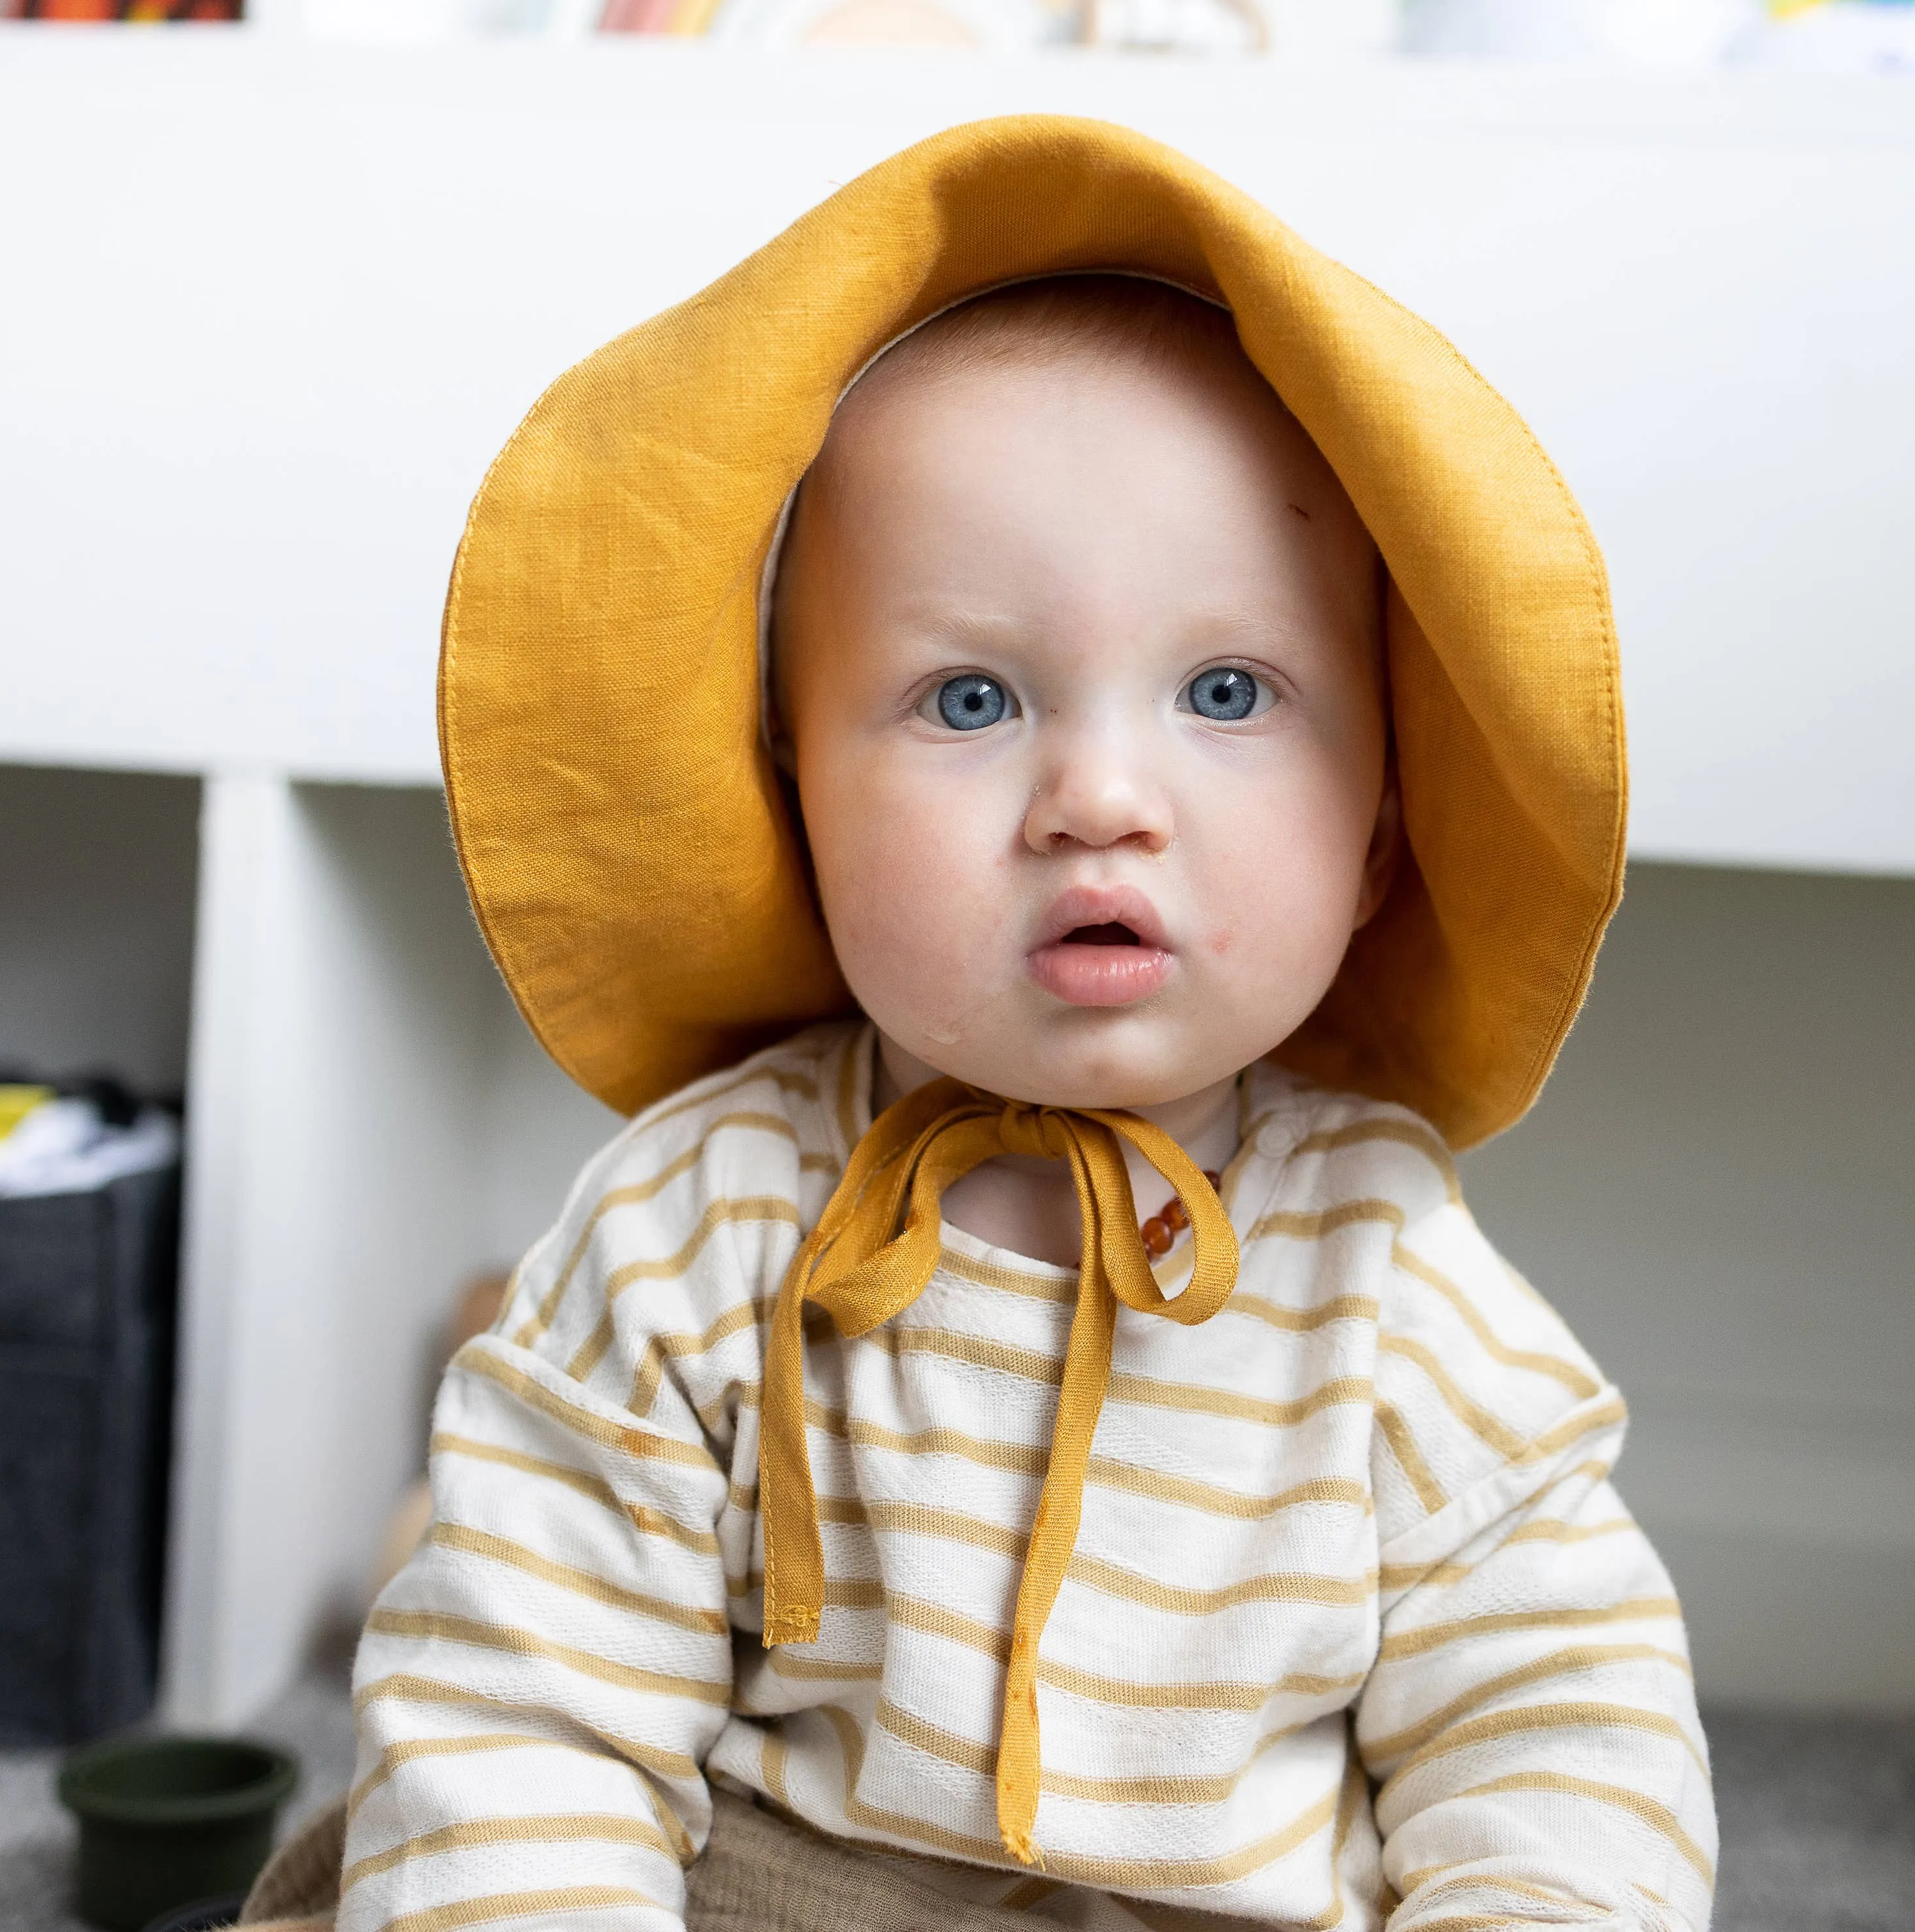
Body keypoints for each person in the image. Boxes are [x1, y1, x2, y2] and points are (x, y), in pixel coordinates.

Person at [330, 117, 1713, 1932]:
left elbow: (1558, 1720)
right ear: (791, 796)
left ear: (1380, 832)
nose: (1099, 797)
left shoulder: (1386, 1268)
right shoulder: (699, 1218)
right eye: (967, 695)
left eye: (1227, 690)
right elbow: (524, 1697)